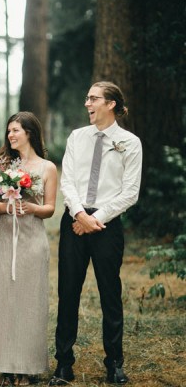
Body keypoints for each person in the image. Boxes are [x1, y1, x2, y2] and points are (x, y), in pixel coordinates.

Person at [50, 82, 142, 386]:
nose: (87, 103)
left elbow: (130, 192)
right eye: (87, 98)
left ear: (111, 104)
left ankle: (114, 363)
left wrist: (95, 219)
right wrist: (79, 214)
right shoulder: (77, 137)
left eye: (93, 98)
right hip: (74, 221)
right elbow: (68, 182)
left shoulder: (130, 142)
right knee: (68, 293)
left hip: (107, 225)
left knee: (110, 295)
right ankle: (63, 364)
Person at [0, 112, 57, 386]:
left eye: (16, 130)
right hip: (3, 235)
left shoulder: (47, 168)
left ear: (29, 132)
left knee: (30, 302)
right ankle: (5, 367)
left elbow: (50, 208)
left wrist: (32, 207)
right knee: (3, 301)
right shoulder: (1, 164)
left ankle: (28, 368)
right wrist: (9, 206)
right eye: (8, 131)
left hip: (32, 238)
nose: (11, 135)